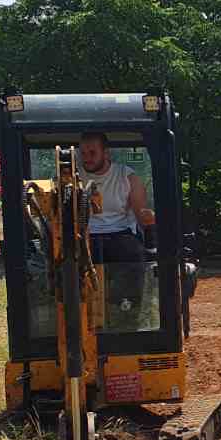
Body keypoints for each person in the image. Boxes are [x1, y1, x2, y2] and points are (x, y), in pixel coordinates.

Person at [78, 132, 155, 326]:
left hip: (120, 233)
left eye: (92, 153)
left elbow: (142, 214)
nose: (86, 158)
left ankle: (129, 308)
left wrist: (149, 219)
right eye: (83, 153)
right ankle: (78, 310)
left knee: (134, 253)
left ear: (106, 153)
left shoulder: (126, 176)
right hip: (85, 235)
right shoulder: (73, 177)